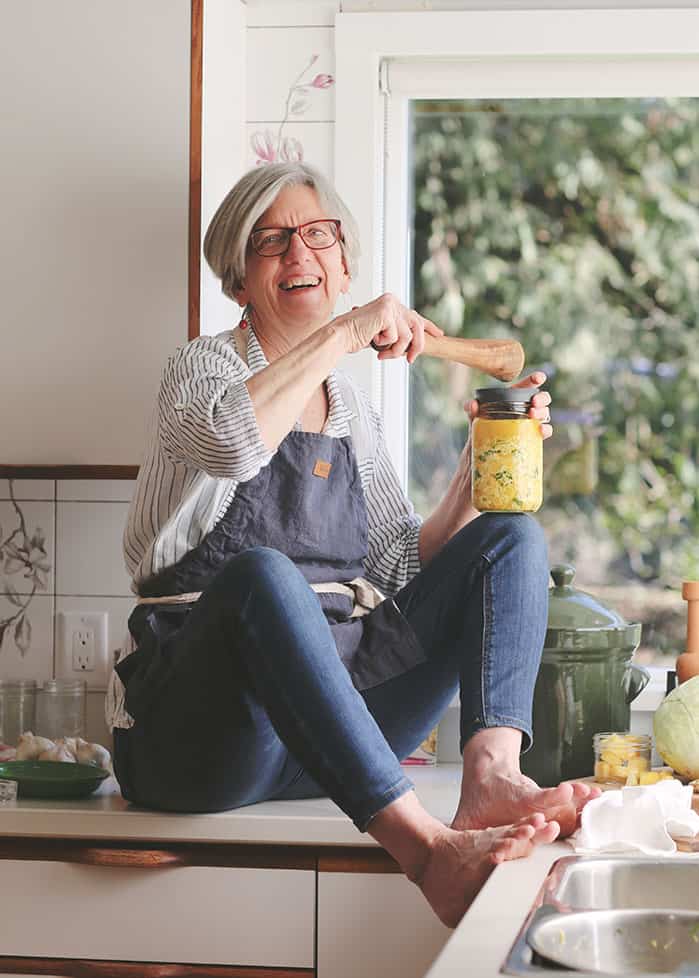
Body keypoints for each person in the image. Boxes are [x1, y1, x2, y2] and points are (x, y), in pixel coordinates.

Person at [107, 161, 597, 929]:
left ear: (342, 261)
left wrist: (484, 458)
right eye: (270, 242)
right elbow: (234, 443)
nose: (297, 252)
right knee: (264, 577)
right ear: (239, 280)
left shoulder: (352, 412)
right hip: (202, 740)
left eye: (316, 234)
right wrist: (344, 332)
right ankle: (425, 852)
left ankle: (492, 774)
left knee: (508, 536)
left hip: (331, 740)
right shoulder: (199, 371)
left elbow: (400, 567)